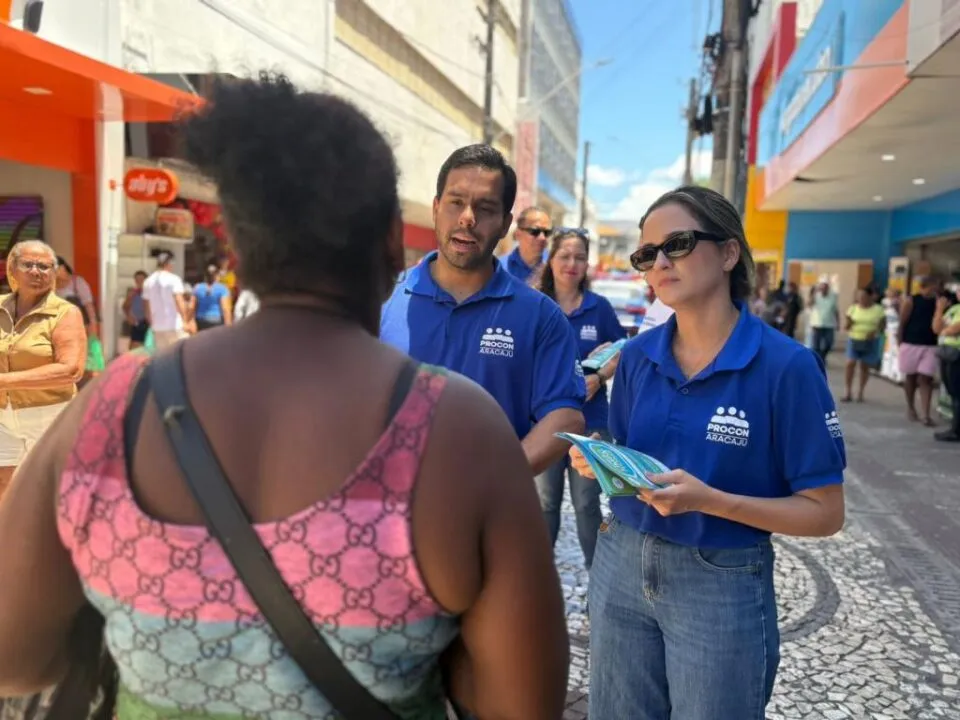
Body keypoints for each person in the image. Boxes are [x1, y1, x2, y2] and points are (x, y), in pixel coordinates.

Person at [0, 73, 568, 720]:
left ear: (240, 243)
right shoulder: (460, 429)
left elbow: (15, 658)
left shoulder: (118, 403)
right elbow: (521, 707)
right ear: (391, 235)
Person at [568, 186, 845, 720]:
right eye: (647, 254)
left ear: (728, 252)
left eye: (677, 243)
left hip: (720, 578)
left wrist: (712, 501)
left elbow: (825, 512)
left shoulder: (787, 366)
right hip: (620, 558)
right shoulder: (636, 358)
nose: (660, 262)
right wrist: (605, 459)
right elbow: (635, 461)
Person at [380, 144, 586, 474]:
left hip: (487, 517)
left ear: (505, 224)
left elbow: (564, 415)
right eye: (456, 202)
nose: (467, 218)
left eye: (485, 208)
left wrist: (495, 483)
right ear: (435, 208)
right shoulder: (382, 298)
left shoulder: (541, 317)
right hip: (384, 510)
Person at [535, 228, 626, 569]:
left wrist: (600, 374)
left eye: (580, 257)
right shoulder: (535, 305)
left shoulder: (599, 308)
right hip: (543, 421)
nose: (572, 264)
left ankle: (597, 581)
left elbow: (622, 350)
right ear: (551, 260)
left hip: (592, 422)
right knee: (545, 503)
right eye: (565, 256)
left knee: (588, 503)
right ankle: (536, 581)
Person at [0, 241, 86, 500]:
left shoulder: (65, 313)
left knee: (49, 491)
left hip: (48, 414)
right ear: (12, 270)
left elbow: (70, 370)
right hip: (2, 416)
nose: (36, 272)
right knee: (4, 487)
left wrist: (4, 381)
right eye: (28, 265)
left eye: (45, 266)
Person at [897, 277, 940, 425]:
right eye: (934, 285)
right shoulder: (911, 300)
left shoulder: (938, 302)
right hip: (911, 343)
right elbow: (902, 322)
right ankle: (910, 407)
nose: (936, 288)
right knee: (911, 377)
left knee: (925, 378)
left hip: (930, 344)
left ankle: (926, 414)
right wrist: (900, 341)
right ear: (926, 286)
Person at [55, 256, 104, 384]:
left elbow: (88, 305)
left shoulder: (77, 282)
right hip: (64, 328)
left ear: (63, 267)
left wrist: (93, 326)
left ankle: (93, 388)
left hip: (83, 326)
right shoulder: (51, 285)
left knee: (90, 358)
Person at [843, 288, 885, 403]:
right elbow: (847, 324)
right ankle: (848, 391)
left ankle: (860, 391)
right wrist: (848, 325)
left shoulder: (878, 310)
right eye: (859, 297)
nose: (861, 299)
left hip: (870, 340)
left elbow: (882, 327)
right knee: (850, 363)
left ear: (871, 297)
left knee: (864, 366)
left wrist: (875, 332)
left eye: (864, 296)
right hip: (854, 338)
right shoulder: (853, 308)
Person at [141, 250, 188, 350]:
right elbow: (179, 301)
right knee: (179, 354)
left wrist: (152, 324)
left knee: (163, 357)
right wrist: (185, 321)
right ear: (168, 264)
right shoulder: (174, 279)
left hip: (158, 327)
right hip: (174, 326)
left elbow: (146, 307)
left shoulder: (148, 281)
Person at [933, 293, 960, 442]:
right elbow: (937, 328)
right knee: (951, 391)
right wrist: (939, 310)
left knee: (957, 393)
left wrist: (946, 329)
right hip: (946, 353)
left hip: (957, 354)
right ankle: (954, 426)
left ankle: (956, 431)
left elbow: (954, 329)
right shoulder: (954, 309)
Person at [505, 206, 552, 283]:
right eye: (535, 231)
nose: (542, 238)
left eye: (547, 233)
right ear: (518, 234)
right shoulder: (498, 268)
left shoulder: (555, 268)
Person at [192, 262, 233, 330]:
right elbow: (225, 309)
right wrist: (229, 327)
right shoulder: (222, 289)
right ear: (217, 276)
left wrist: (187, 320)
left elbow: (191, 306)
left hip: (201, 320)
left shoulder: (197, 287)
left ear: (205, 276)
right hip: (216, 320)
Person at [808, 278, 840, 364]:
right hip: (816, 324)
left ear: (828, 288)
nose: (823, 289)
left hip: (829, 324)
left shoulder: (833, 297)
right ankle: (818, 361)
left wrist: (838, 323)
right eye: (822, 287)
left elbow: (836, 310)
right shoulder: (816, 296)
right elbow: (809, 304)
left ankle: (822, 357)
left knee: (829, 343)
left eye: (825, 287)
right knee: (816, 345)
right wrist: (814, 293)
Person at [122, 270, 150, 349]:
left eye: (141, 279)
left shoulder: (150, 292)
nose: (139, 282)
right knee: (133, 348)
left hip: (148, 322)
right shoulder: (133, 292)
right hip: (137, 323)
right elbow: (124, 307)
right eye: (137, 280)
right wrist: (128, 316)